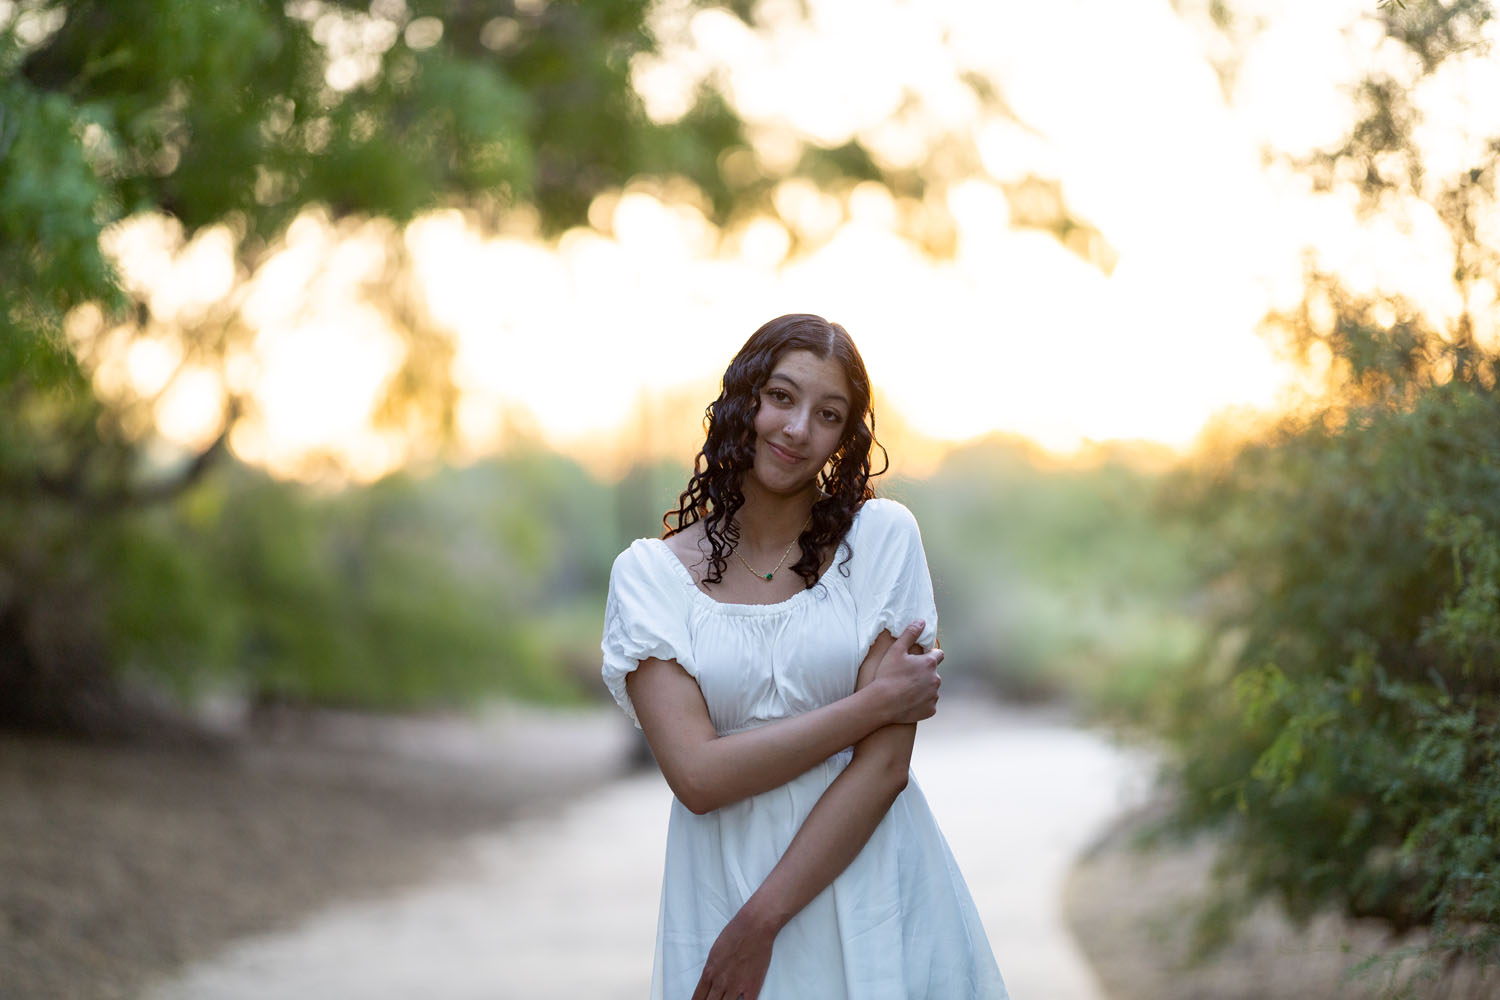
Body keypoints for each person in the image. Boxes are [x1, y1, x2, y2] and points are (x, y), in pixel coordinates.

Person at [601, 314, 1008, 1000]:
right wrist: (873, 704)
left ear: (844, 439)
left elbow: (884, 768)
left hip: (872, 884)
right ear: (743, 400)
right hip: (718, 893)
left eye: (827, 414)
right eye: (781, 398)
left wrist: (761, 922)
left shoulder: (881, 540)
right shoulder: (650, 578)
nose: (796, 430)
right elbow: (698, 777)